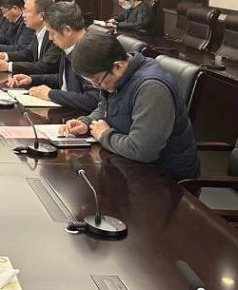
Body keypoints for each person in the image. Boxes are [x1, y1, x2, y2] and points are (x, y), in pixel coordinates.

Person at [60, 33, 200, 182]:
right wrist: (86, 122)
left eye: (96, 80)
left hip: (164, 180)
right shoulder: (118, 78)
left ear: (118, 66)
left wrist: (104, 135)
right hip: (131, 168)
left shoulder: (151, 88)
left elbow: (143, 150)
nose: (95, 86)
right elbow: (105, 108)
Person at [7, 1, 99, 112]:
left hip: (78, 116)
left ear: (67, 30)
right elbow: (65, 79)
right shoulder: (69, 45)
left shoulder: (90, 52)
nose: (50, 38)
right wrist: (32, 79)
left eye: (52, 33)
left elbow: (93, 100)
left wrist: (51, 94)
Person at [0, 0, 62, 75]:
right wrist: (4, 55)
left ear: (41, 16)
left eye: (27, 11)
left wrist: (9, 66)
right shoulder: (38, 31)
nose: (23, 15)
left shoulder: (54, 36)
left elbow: (44, 67)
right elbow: (27, 54)